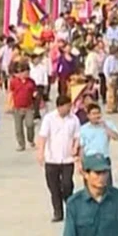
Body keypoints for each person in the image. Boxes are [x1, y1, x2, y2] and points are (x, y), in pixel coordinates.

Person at [36, 94, 82, 222]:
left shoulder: (74, 119)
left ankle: (70, 206)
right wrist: (40, 152)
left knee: (67, 184)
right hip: (52, 158)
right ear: (59, 107)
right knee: (54, 187)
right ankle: (58, 212)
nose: (69, 109)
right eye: (67, 106)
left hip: (67, 158)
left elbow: (77, 136)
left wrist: (75, 147)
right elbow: (43, 136)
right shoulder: (49, 118)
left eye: (70, 106)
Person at [79, 103, 118, 183]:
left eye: (98, 113)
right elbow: (81, 147)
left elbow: (116, 137)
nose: (96, 116)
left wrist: (105, 127)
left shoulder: (108, 124)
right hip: (90, 158)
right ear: (88, 116)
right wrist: (81, 163)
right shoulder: (83, 129)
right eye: (93, 114)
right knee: (91, 185)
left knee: (106, 185)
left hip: (103, 158)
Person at [8, 64, 38, 151]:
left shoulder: (31, 82)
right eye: (25, 72)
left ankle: (30, 139)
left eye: (28, 72)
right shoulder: (14, 82)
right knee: (18, 128)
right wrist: (10, 104)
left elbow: (34, 91)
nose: (27, 74)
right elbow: (10, 92)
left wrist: (35, 94)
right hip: (17, 108)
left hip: (28, 107)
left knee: (30, 124)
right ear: (20, 73)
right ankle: (21, 144)